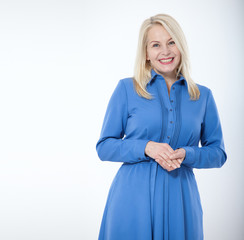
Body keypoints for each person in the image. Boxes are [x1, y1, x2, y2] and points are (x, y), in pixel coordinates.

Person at [95, 13, 227, 240]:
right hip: (132, 199)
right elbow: (104, 147)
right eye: (156, 45)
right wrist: (146, 147)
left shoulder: (203, 96)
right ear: (146, 53)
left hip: (181, 198)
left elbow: (218, 153)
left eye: (171, 42)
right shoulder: (127, 89)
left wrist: (188, 153)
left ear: (181, 46)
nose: (165, 51)